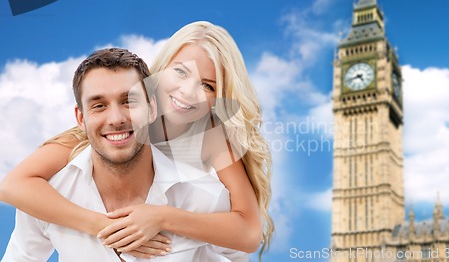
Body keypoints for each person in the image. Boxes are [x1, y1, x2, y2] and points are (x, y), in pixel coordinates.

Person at [0, 22, 273, 260]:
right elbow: (12, 186)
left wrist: (162, 217)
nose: (188, 91)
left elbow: (248, 233)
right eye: (180, 72)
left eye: (208, 85)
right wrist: (104, 226)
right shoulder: (108, 128)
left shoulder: (211, 136)